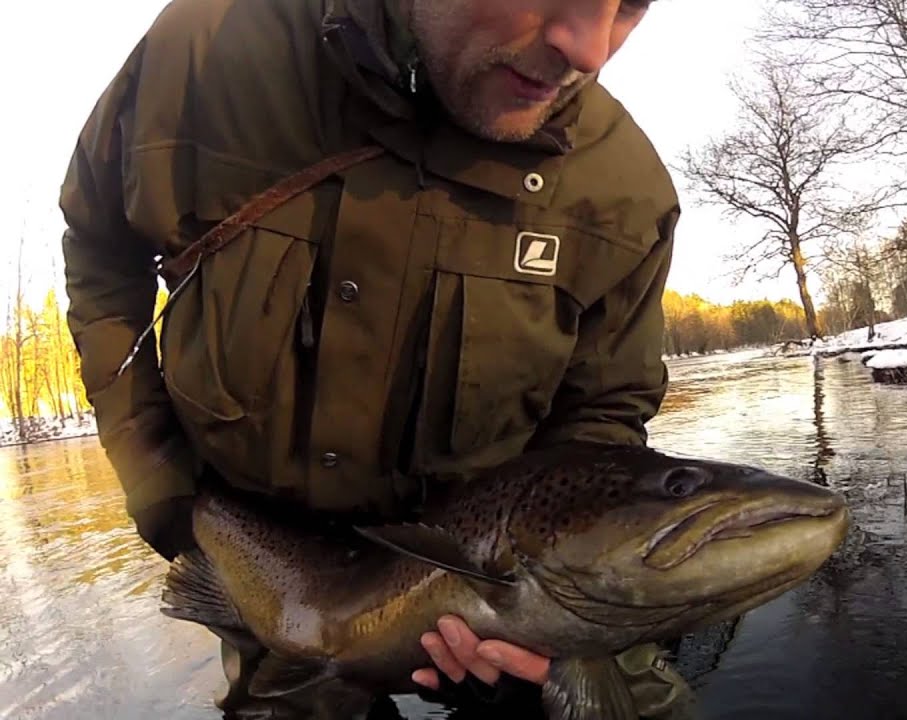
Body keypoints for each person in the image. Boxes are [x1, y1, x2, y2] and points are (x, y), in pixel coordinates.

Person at [58, 0, 694, 717]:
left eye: (631, 5)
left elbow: (602, 419)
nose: (589, 48)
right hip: (267, 575)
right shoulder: (202, 52)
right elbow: (100, 248)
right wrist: (155, 475)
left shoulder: (625, 193)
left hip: (503, 577)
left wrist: (563, 608)